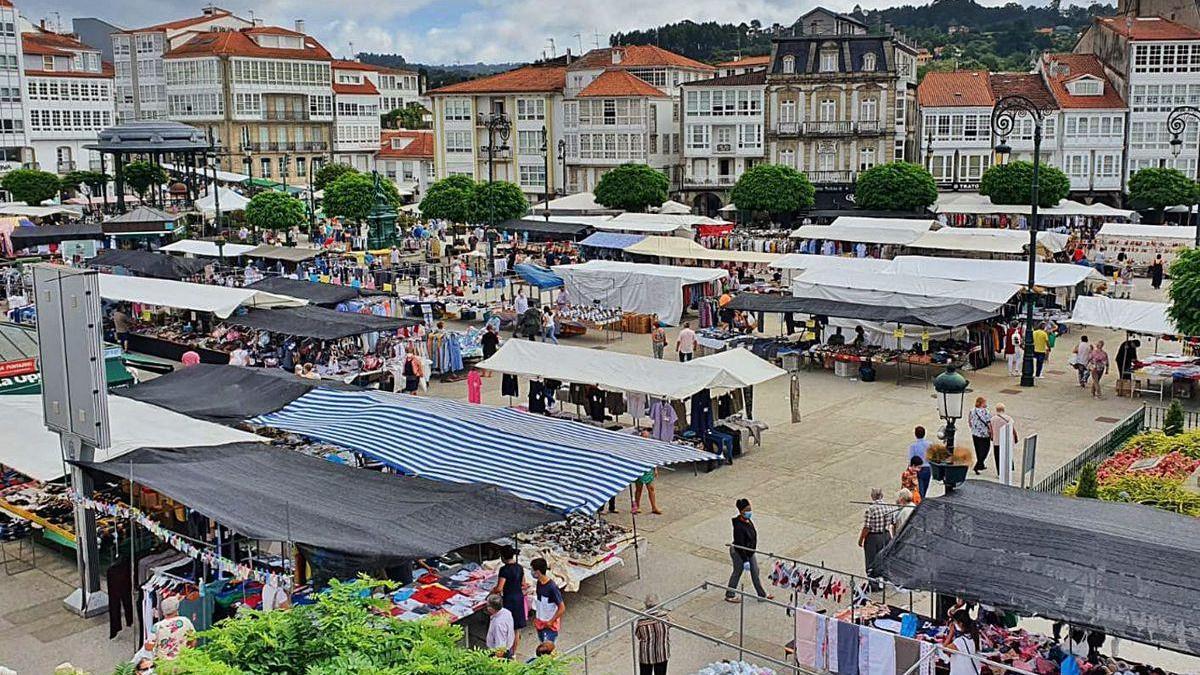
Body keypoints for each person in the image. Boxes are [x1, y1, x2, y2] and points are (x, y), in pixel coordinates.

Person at [726, 498, 772, 602]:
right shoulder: (738, 526)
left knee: (755, 572)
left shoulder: (747, 520)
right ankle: (729, 594)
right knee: (737, 572)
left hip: (749, 552)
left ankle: (762, 595)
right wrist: (745, 560)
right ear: (741, 511)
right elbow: (739, 544)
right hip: (739, 552)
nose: (749, 511)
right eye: (747, 510)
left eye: (750, 509)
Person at [859, 488, 894, 588]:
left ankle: (874, 585)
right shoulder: (889, 507)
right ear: (882, 496)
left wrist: (861, 539)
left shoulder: (871, 509)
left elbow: (867, 527)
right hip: (886, 535)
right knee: (884, 559)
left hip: (873, 537)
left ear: (872, 496)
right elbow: (893, 522)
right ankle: (884, 581)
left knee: (871, 561)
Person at [492, 546, 527, 644]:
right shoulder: (519, 567)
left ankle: (506, 649)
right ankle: (513, 653)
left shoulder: (504, 570)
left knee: (507, 627)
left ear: (502, 557)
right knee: (516, 630)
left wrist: (492, 591)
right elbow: (523, 583)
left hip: (509, 600)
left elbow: (499, 588)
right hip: (519, 598)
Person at [150, 596, 195, 661]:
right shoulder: (185, 621)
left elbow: (150, 645)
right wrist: (188, 654)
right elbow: (193, 640)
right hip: (183, 662)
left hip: (163, 665)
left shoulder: (157, 626)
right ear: (176, 609)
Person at [531, 557, 565, 644]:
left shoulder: (552, 587)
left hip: (549, 625)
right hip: (540, 622)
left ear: (538, 572)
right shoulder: (539, 583)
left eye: (533, 570)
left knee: (546, 648)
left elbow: (562, 608)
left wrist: (551, 621)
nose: (532, 572)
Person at [635, 593, 671, 675]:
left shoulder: (641, 622)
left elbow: (638, 635)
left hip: (646, 655)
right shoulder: (665, 618)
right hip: (662, 652)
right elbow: (670, 626)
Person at [941, 609, 981, 675]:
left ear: (960, 623)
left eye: (955, 622)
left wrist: (951, 633)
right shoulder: (976, 637)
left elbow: (944, 649)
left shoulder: (959, 642)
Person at [989, 403, 1017, 475]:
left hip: (997, 441)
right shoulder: (1008, 418)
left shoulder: (992, 419)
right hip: (1007, 440)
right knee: (1008, 454)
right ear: (1003, 409)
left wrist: (992, 437)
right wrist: (1015, 436)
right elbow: (1012, 429)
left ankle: (999, 472)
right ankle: (1009, 468)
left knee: (998, 457)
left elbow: (991, 430)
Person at [485, 594, 516, 659]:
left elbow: (500, 648)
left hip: (500, 653)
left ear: (490, 608)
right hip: (508, 647)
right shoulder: (506, 612)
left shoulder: (498, 624)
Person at [968, 397, 993, 475]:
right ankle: (978, 465)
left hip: (975, 433)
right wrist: (991, 432)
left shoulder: (972, 410)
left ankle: (981, 464)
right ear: (982, 403)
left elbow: (969, 421)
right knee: (986, 449)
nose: (986, 404)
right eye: (985, 402)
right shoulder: (986, 412)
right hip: (984, 434)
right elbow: (989, 423)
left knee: (978, 450)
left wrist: (973, 428)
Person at [908, 426, 932, 500]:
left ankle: (921, 502)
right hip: (928, 468)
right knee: (925, 488)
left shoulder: (913, 446)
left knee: (919, 490)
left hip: (918, 469)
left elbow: (911, 459)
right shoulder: (929, 444)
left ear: (915, 434)